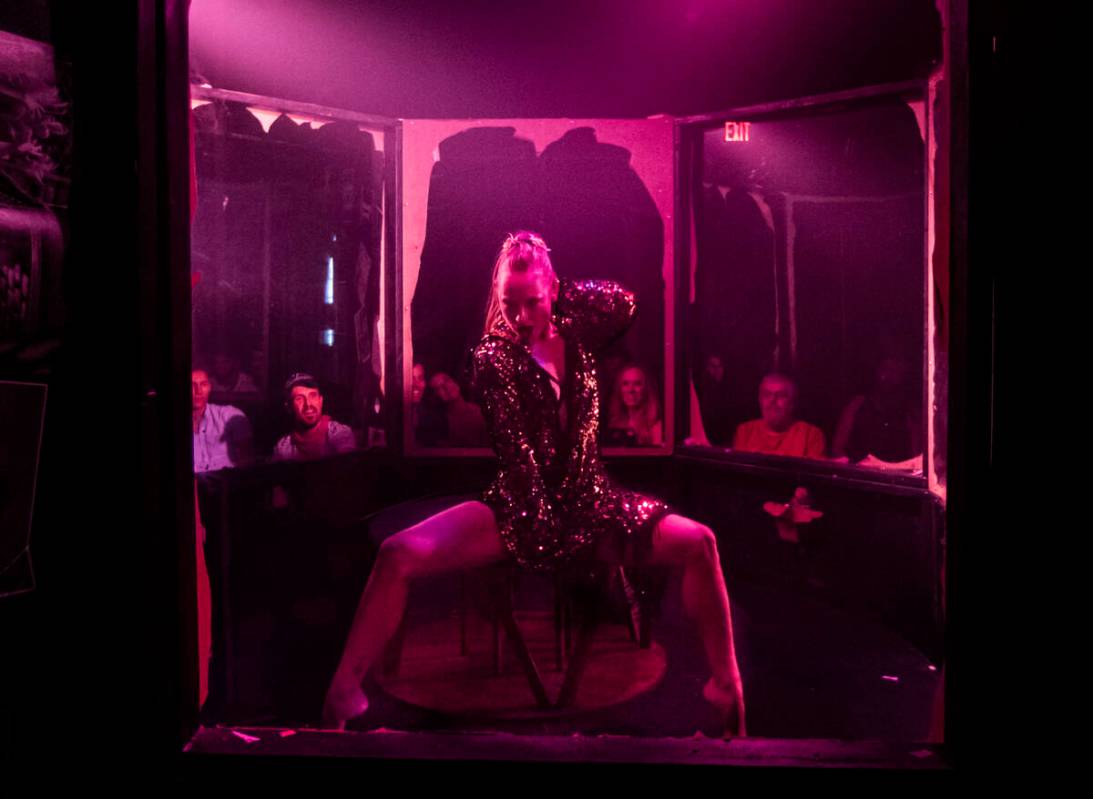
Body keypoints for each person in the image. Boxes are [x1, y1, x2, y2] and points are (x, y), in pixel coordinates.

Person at [322, 231, 745, 734]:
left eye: (532, 303)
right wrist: (549, 537)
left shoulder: (578, 332)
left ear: (554, 292)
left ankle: (727, 685)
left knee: (701, 542)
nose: (520, 317)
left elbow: (625, 303)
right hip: (520, 507)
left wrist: (557, 292)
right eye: (508, 304)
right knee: (397, 553)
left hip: (592, 500)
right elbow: (518, 457)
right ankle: (343, 690)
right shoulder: (493, 356)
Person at [831, 355, 921, 464]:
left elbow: (916, 456)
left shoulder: (909, 413)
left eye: (895, 371)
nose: (888, 376)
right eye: (885, 369)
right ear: (876, 371)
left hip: (896, 473)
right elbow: (837, 449)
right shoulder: (857, 405)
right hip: (858, 471)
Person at [732, 373, 825, 459]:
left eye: (781, 395)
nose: (772, 400)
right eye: (767, 394)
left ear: (792, 402)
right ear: (760, 400)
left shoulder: (810, 435)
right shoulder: (745, 431)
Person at [272, 372, 357, 461]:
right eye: (299, 399)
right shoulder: (283, 449)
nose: (308, 404)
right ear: (289, 407)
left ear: (321, 401)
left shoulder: (340, 434)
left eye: (312, 396)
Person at [192, 366, 254, 473]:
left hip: (228, 482)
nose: (198, 391)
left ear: (209, 387)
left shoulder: (229, 415)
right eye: (192, 385)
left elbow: (247, 461)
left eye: (203, 384)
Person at [606, 364, 663, 446]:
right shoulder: (614, 424)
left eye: (637, 384)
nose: (630, 389)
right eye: (625, 384)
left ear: (646, 389)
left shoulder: (655, 426)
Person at [428, 370, 488, 447]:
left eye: (446, 380)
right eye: (439, 387)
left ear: (455, 383)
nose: (446, 387)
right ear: (436, 396)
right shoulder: (440, 423)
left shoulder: (479, 412)